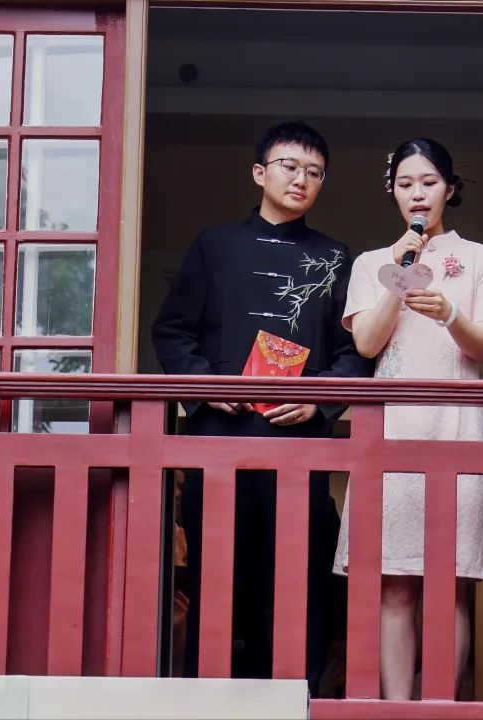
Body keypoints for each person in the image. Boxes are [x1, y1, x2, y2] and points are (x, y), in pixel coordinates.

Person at [151, 121, 373, 693]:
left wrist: (318, 401)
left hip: (298, 447)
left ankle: (296, 700)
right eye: (289, 166)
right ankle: (208, 703)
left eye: (314, 172)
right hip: (218, 443)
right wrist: (204, 384)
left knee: (299, 585)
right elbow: (172, 332)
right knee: (217, 580)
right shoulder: (215, 245)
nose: (301, 179)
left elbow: (355, 353)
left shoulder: (334, 257)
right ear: (259, 172)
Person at [333, 138, 483, 700]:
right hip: (393, 431)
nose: (417, 193)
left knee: (449, 586)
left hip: (457, 427)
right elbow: (367, 343)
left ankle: (438, 706)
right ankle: (396, 708)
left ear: (449, 190)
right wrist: (401, 271)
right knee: (394, 586)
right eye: (406, 183)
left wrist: (451, 312)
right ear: (392, 192)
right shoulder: (371, 264)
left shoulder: (481, 258)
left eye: (429, 182)